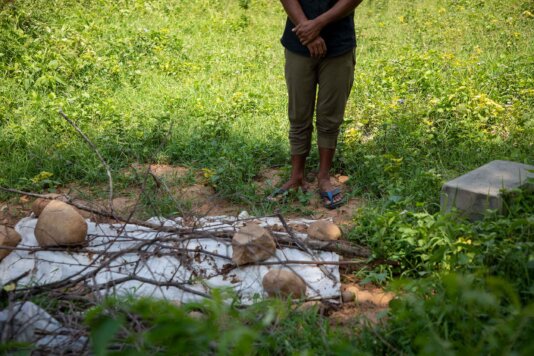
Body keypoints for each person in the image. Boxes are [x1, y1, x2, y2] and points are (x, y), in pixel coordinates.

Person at [269, 0, 363, 209]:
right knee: (298, 115)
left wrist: (317, 24)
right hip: (298, 43)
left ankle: (323, 177)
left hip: (339, 45)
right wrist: (307, 30)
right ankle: (296, 177)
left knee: (330, 116)